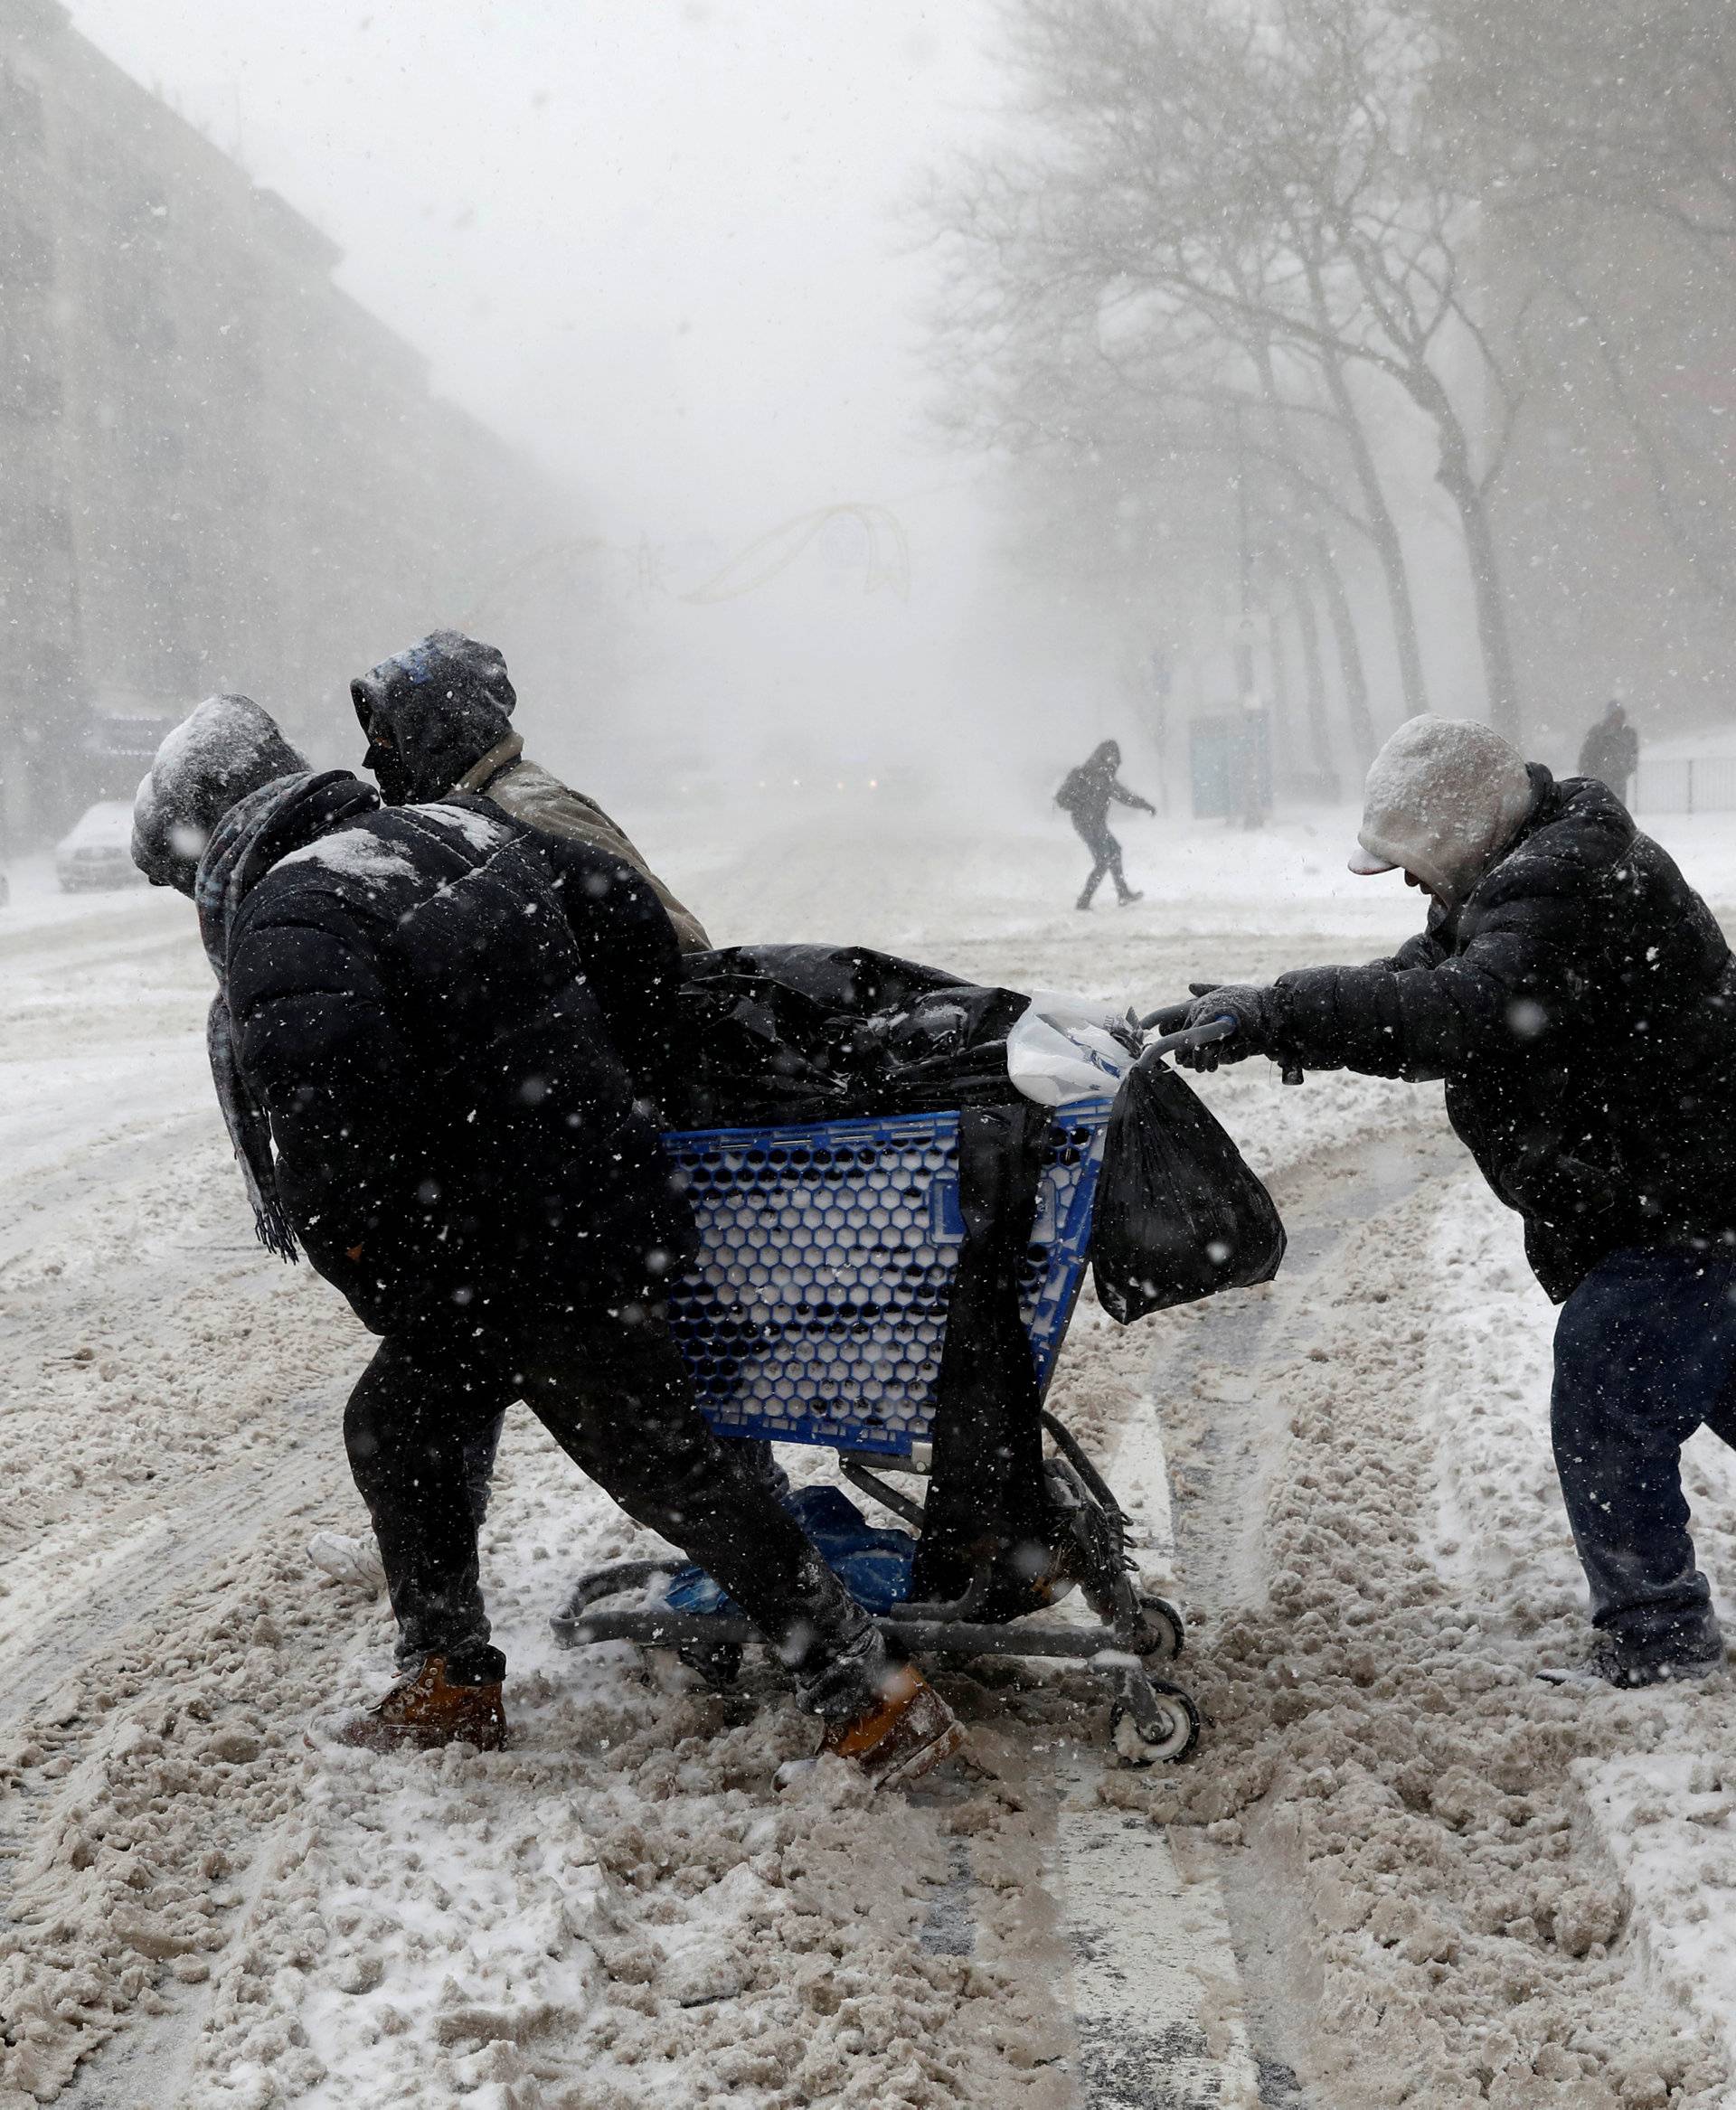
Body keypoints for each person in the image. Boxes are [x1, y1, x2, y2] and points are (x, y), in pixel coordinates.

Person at [131, 693, 964, 1783]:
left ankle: (869, 1695)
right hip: (593, 1202)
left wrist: (402, 1278)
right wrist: (592, 1083)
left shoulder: (292, 916)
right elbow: (623, 914)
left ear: (214, 835)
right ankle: (450, 1679)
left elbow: (336, 1149)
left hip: (510, 1252)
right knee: (405, 1421)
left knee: (667, 1467)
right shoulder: (447, 828)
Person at [1177, 714, 1736, 1689]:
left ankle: (1660, 1635)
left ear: (1463, 832)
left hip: (1682, 1200)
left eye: (1410, 857)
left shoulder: (1560, 879)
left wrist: (1283, 1014)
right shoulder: (1528, 872)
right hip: (1675, 1192)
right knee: (1710, 1374)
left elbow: (1458, 1012)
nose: (1403, 879)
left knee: (1608, 1385)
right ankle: (1659, 1627)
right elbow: (1424, 975)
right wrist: (1266, 1010)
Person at [350, 629, 711, 953]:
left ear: (439, 735)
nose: (371, 759)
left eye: (385, 738)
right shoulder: (474, 818)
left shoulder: (528, 810)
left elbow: (680, 941)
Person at [1055, 739, 1156, 910]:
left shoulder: (1105, 778)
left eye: (1115, 757)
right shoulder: (1083, 774)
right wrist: (1080, 806)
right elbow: (1061, 798)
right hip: (1087, 824)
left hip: (1096, 824)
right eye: (1111, 756)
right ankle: (1084, 902)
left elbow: (1124, 796)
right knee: (1103, 861)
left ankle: (1122, 893)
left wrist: (1144, 804)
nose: (1113, 761)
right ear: (1102, 756)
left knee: (1114, 851)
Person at [1578, 699, 1639, 805]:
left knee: (1617, 811)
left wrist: (1627, 769)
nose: (1617, 718)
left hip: (1619, 780)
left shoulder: (1628, 733)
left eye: (1620, 714)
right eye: (1615, 714)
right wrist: (1589, 775)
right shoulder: (1597, 732)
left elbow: (1633, 753)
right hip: (1599, 779)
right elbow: (1587, 755)